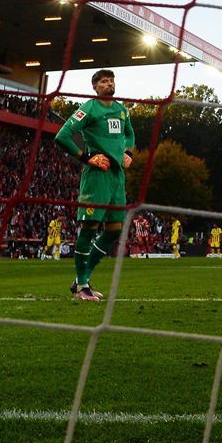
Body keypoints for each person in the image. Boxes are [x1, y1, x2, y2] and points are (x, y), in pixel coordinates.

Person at [53, 69, 136, 301]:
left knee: (114, 230)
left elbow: (130, 134)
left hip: (117, 177)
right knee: (89, 228)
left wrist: (128, 153)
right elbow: (62, 135)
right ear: (95, 87)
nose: (109, 84)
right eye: (103, 81)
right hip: (97, 175)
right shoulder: (89, 108)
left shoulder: (122, 111)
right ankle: (81, 287)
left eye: (111, 80)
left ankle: (83, 279)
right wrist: (86, 157)